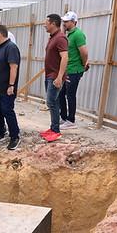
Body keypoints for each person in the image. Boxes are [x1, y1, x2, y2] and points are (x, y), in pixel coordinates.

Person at [0, 24, 21, 150]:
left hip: (6, 88)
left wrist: (11, 85)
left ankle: (14, 136)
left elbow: (13, 67)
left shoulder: (11, 47)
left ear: (0, 34)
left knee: (7, 110)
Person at [58, 11, 88, 130]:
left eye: (66, 21)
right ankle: (64, 117)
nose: (64, 23)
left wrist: (83, 63)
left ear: (74, 22)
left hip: (74, 70)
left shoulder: (78, 34)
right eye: (64, 21)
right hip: (67, 69)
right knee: (61, 94)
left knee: (70, 95)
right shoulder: (68, 34)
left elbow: (84, 52)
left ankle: (71, 120)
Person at [42, 13, 68, 142]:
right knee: (55, 102)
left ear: (53, 23)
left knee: (51, 102)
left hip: (55, 76)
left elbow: (65, 57)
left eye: (46, 23)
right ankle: (53, 128)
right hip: (49, 75)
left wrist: (59, 77)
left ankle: (56, 131)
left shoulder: (60, 38)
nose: (44, 25)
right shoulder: (52, 37)